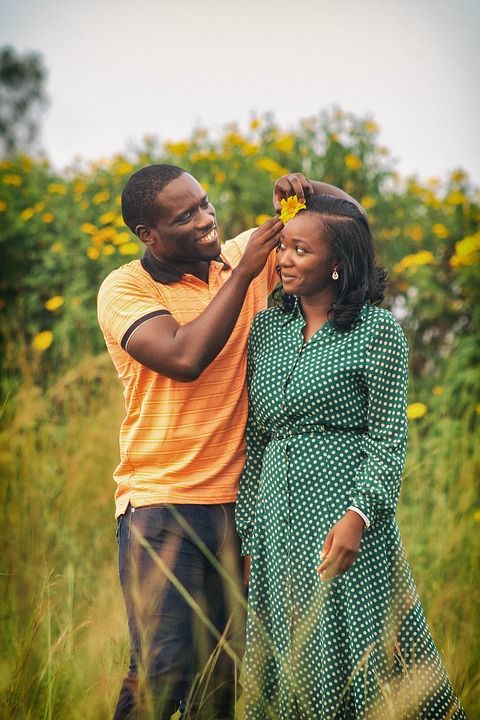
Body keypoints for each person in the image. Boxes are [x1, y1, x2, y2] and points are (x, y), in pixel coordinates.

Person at [97, 165, 356, 719]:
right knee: (163, 671)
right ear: (148, 234)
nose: (206, 220)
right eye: (184, 216)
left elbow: (345, 219)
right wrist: (242, 274)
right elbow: (185, 358)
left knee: (221, 679)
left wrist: (303, 193)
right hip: (161, 503)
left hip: (242, 508)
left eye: (206, 205)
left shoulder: (245, 257)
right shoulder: (125, 289)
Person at [235, 194, 466, 719]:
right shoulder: (266, 330)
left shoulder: (376, 331)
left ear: (337, 263)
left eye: (301, 250)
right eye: (283, 249)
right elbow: (256, 440)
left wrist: (359, 515)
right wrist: (250, 533)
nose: (285, 260)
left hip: (345, 515)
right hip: (275, 520)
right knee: (290, 656)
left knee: (366, 651)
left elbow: (388, 439)